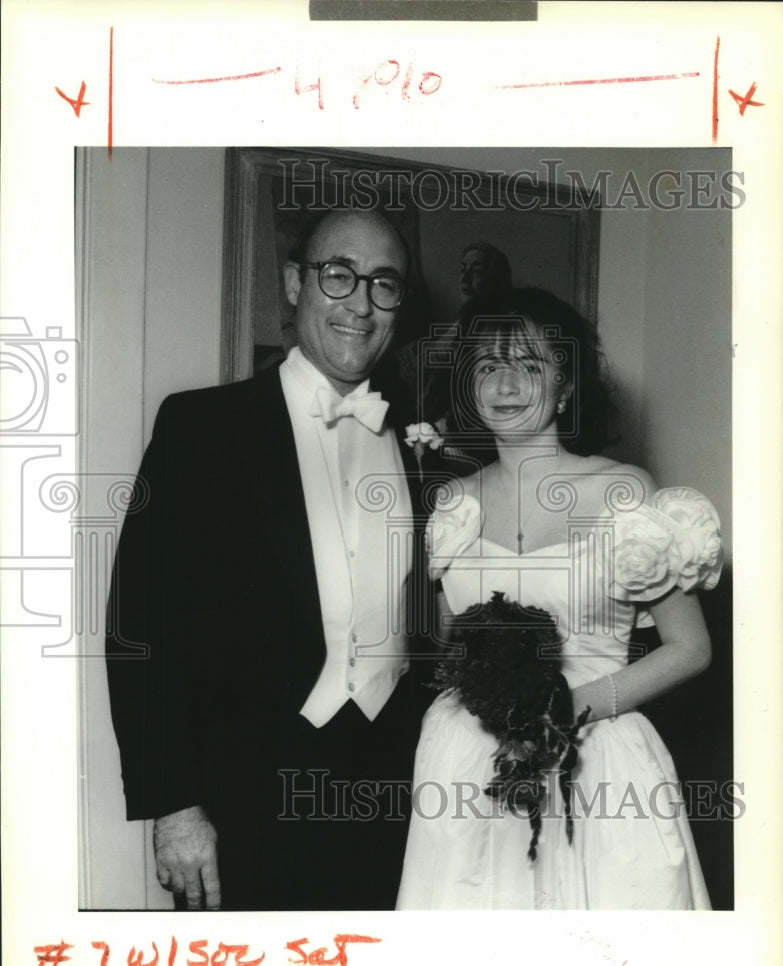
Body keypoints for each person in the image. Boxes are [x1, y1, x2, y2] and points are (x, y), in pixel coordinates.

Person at [106, 208, 437, 911]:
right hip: (242, 805)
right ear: (294, 283)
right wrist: (174, 806)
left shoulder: (424, 447)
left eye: (384, 284)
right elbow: (142, 624)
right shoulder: (200, 427)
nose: (360, 303)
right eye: (338, 275)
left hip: (397, 797)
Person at [396, 287, 723, 909]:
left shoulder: (623, 489)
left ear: (565, 385)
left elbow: (691, 648)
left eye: (530, 364)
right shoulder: (450, 502)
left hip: (598, 758)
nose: (507, 383)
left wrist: (567, 707)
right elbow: (449, 645)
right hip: (467, 761)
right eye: (488, 366)